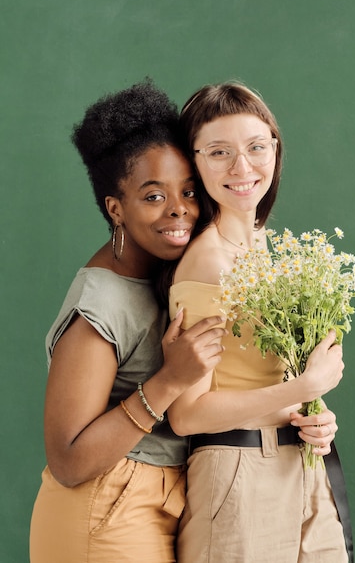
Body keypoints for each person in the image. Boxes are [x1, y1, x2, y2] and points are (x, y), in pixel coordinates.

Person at [29, 79, 227, 563]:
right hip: (102, 509)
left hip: (162, 502)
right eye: (153, 196)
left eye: (188, 191)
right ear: (115, 208)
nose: (179, 208)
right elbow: (69, 460)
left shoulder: (171, 278)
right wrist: (169, 380)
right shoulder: (103, 302)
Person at [168, 82, 349, 562]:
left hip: (302, 465)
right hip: (239, 475)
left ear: (275, 148)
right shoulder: (207, 263)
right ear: (194, 162)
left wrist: (314, 418)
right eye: (219, 152)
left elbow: (273, 376)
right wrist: (301, 387)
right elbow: (187, 412)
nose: (242, 168)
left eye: (256, 147)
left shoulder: (268, 248)